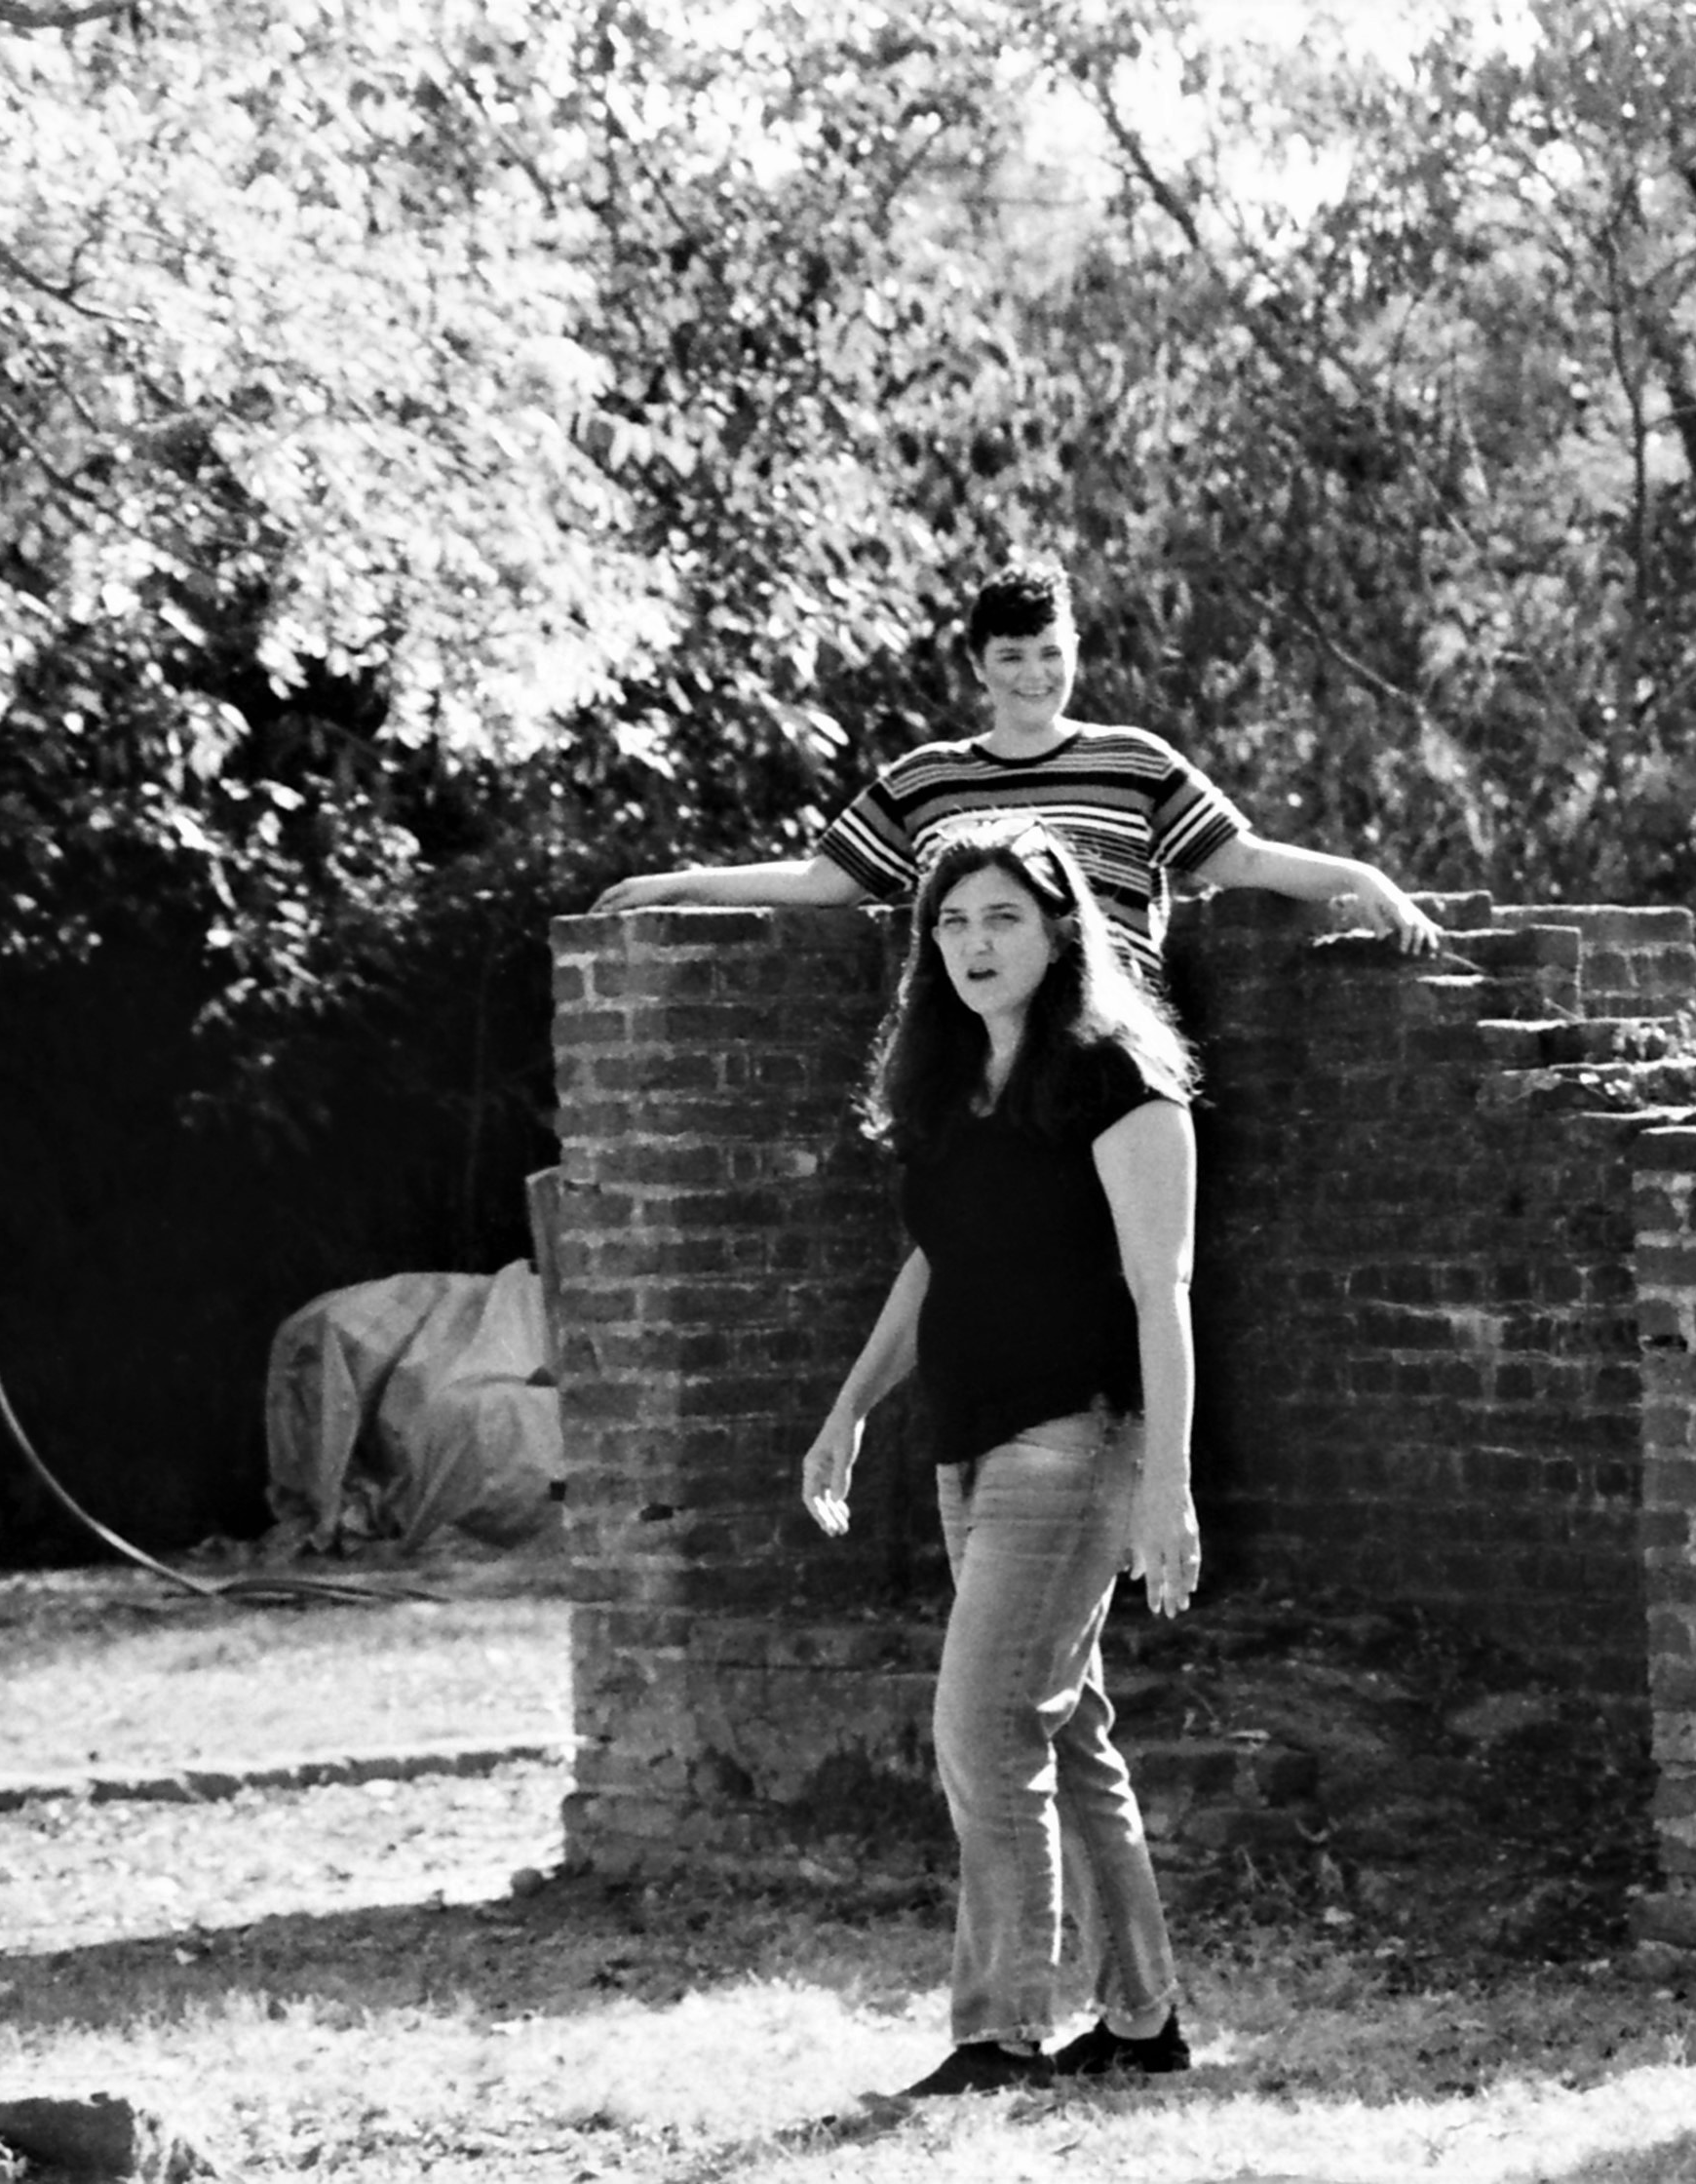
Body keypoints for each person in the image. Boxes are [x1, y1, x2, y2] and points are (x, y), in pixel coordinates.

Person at [800, 817, 1204, 2099]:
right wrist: (852, 1405)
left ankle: (999, 2036)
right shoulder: (943, 1084)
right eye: (954, 922)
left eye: (1004, 919)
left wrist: (1167, 1487)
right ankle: (1142, 2024)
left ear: (1061, 928)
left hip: (1074, 1439)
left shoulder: (1120, 1082)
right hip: (967, 1445)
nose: (976, 945)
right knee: (1063, 1734)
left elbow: (1163, 1291)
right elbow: (938, 1261)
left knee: (980, 1726)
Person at [591, 560, 1444, 970]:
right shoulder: (930, 779)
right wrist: (681, 883)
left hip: (1111, 1045)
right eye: (1011, 657)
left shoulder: (1133, 761)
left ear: (1073, 651)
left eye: (1048, 653)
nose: (1034, 676)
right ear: (977, 666)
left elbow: (1245, 860)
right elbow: (825, 882)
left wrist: (1361, 877)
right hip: (973, 1045)